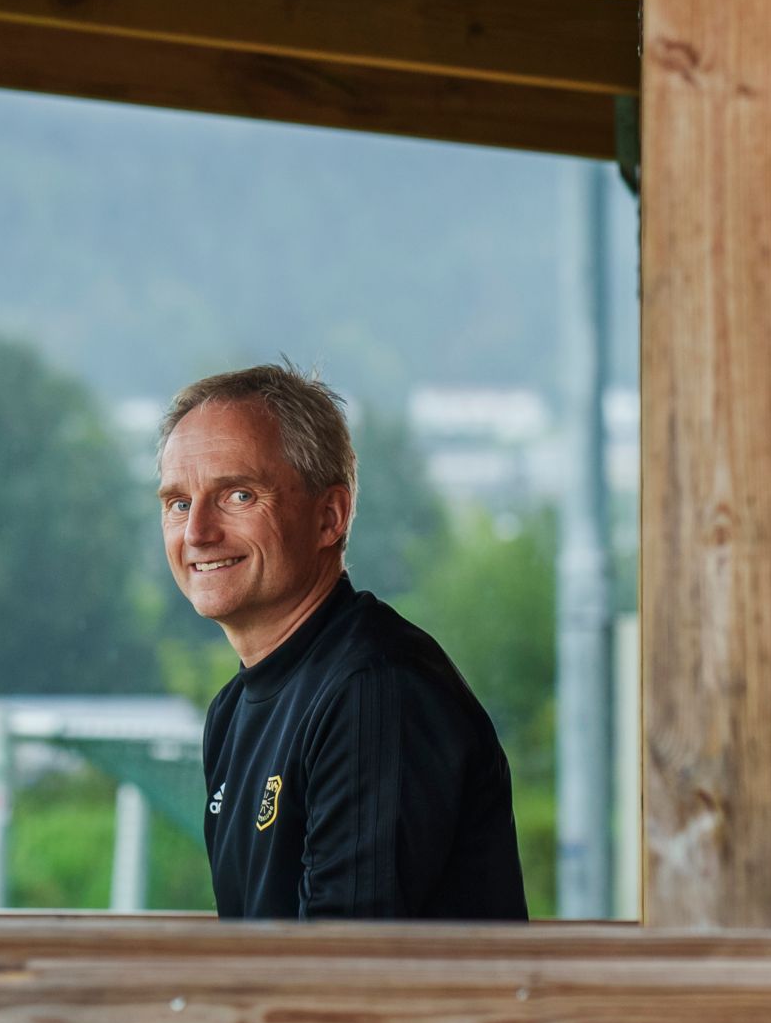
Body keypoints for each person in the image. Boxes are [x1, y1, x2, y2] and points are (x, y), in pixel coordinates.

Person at [156, 363, 527, 920]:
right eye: (179, 503)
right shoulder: (233, 710)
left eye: (237, 495)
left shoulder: (374, 692)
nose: (197, 532)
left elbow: (342, 972)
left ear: (330, 516)